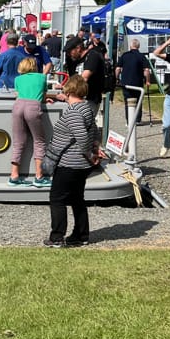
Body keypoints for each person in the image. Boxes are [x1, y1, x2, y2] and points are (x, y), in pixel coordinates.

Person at [43, 76, 105, 248]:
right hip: (81, 165)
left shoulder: (73, 113)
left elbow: (82, 138)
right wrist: (95, 149)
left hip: (69, 162)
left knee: (57, 199)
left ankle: (57, 237)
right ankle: (81, 234)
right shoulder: (86, 108)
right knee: (77, 198)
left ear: (69, 92)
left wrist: (90, 155)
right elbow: (93, 133)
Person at [9, 57, 50, 188]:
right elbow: (43, 96)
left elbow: (18, 94)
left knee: (18, 142)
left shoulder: (17, 79)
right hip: (33, 107)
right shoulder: (42, 77)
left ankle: (14, 176)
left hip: (18, 106)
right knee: (39, 141)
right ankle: (39, 177)